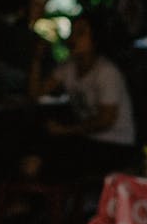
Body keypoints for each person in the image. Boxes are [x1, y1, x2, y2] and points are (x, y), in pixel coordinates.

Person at [24, 13, 137, 178]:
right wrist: (36, 59)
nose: (73, 38)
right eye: (72, 32)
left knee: (47, 159)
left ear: (95, 39)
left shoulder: (106, 72)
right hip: (86, 140)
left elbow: (106, 120)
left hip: (113, 145)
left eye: (81, 33)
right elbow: (35, 93)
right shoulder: (68, 67)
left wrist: (66, 130)